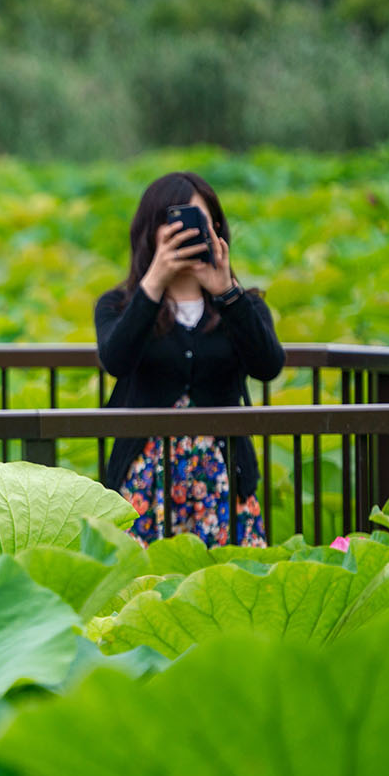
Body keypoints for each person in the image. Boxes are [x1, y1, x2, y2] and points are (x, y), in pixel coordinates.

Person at [96, 171, 285, 548]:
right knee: (142, 578)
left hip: (224, 476)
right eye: (174, 224)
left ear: (216, 230)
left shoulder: (243, 304)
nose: (187, 234)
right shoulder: (118, 305)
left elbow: (268, 366)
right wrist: (154, 283)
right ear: (151, 232)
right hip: (144, 479)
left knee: (230, 577)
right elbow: (115, 360)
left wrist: (227, 292)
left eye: (199, 222)